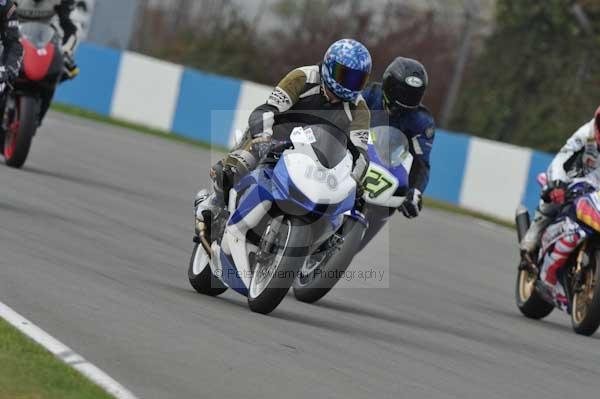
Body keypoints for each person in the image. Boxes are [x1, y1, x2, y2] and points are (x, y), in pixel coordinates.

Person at [195, 39, 373, 225]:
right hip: (275, 139)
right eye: (344, 75)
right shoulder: (303, 77)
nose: (349, 84)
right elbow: (267, 110)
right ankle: (213, 203)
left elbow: (360, 153)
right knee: (234, 168)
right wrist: (263, 138)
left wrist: (355, 179)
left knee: (344, 208)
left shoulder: (359, 109)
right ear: (329, 64)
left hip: (318, 159)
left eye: (357, 79)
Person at [520, 106, 600, 302]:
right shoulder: (585, 133)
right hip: (575, 179)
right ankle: (533, 235)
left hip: (597, 190)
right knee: (552, 197)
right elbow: (562, 156)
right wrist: (557, 183)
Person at [362, 57, 435, 220]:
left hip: (386, 174)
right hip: (354, 157)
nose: (406, 100)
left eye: (413, 95)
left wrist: (415, 191)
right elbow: (343, 115)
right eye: (402, 92)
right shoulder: (370, 94)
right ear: (389, 85)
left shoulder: (422, 121)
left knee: (394, 202)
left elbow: (421, 162)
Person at [16, 0, 79, 123]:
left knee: (62, 70)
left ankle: (37, 115)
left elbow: (70, 29)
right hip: (12, 39)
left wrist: (66, 52)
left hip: (40, 45)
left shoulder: (59, 2)